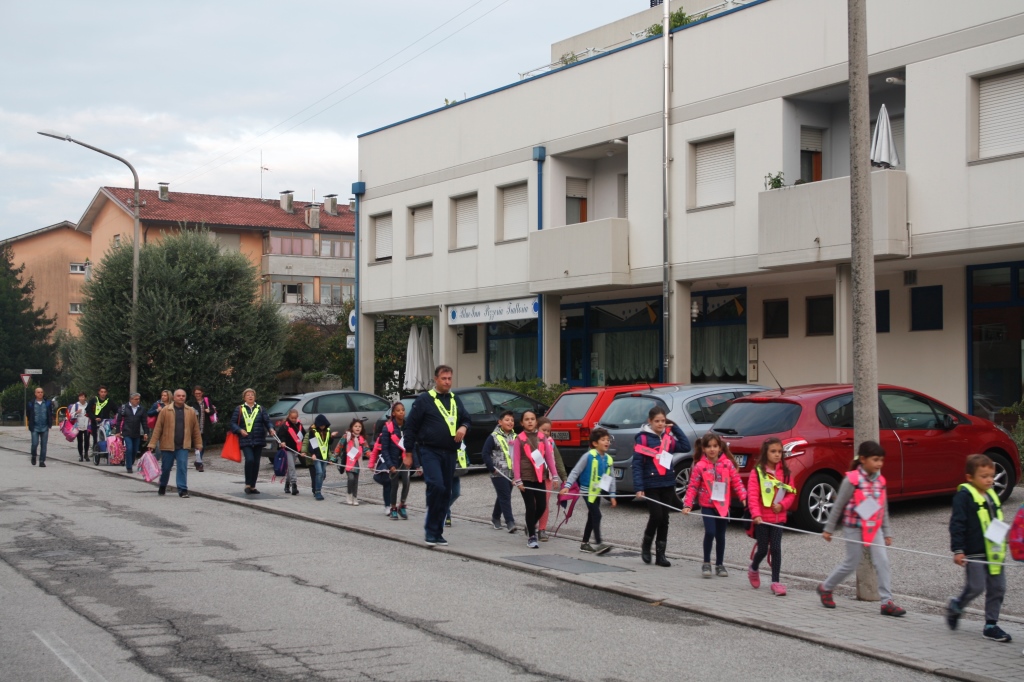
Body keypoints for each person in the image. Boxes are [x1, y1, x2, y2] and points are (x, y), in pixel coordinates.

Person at [819, 440, 906, 617]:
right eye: (875, 460)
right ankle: (825, 588)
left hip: (874, 528)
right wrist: (828, 529)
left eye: (881, 460)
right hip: (854, 527)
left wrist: (887, 532)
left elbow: (883, 508)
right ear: (863, 459)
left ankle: (886, 602)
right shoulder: (851, 479)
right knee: (851, 563)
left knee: (882, 561)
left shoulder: (880, 481)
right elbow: (838, 504)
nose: (879, 464)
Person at [947, 454, 1012, 642]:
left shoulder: (992, 494)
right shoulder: (964, 496)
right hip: (974, 551)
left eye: (991, 476)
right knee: (976, 586)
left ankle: (991, 624)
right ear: (970, 477)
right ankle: (956, 606)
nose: (990, 480)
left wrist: (1009, 538)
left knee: (998, 588)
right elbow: (957, 524)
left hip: (994, 552)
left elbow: (997, 521)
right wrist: (958, 550)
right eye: (984, 476)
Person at [403, 365, 471, 547]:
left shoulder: (455, 399)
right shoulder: (425, 400)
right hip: (430, 451)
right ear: (436, 379)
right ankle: (430, 529)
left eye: (450, 378)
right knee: (437, 487)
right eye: (444, 379)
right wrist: (408, 453)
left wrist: (463, 427)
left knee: (446, 491)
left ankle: (437, 533)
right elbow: (410, 427)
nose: (447, 382)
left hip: (450, 452)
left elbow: (466, 418)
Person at [632, 406, 690, 567]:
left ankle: (660, 555)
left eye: (663, 421)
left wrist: (675, 428)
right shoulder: (643, 439)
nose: (660, 424)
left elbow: (686, 447)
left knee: (665, 519)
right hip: (651, 484)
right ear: (650, 421)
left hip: (667, 483)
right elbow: (637, 465)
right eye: (657, 421)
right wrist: (639, 487)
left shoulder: (668, 439)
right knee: (656, 515)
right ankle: (646, 544)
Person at [683, 432, 747, 576]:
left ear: (720, 448)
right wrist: (688, 504)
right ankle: (706, 562)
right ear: (704, 449)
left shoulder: (727, 464)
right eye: (709, 446)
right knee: (710, 532)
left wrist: (743, 497)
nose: (712, 449)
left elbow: (737, 481)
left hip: (723, 505)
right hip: (707, 505)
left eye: (715, 446)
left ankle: (720, 564)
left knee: (720, 535)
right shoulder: (700, 466)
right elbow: (692, 486)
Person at [747, 437, 796, 595]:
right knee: (762, 549)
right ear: (765, 452)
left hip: (778, 519)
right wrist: (756, 514)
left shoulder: (786, 473)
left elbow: (791, 493)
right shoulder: (758, 472)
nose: (777, 455)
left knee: (776, 548)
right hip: (762, 519)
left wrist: (783, 506)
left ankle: (776, 582)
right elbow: (753, 496)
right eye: (773, 451)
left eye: (779, 452)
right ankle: (754, 568)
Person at [563, 427, 617, 554]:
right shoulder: (588, 456)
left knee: (592, 516)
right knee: (597, 515)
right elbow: (575, 471)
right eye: (603, 440)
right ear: (594, 443)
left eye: (608, 440)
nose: (607, 442)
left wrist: (613, 495)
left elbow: (612, 478)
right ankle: (599, 543)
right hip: (587, 491)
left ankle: (584, 543)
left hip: (597, 491)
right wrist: (568, 485)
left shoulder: (608, 459)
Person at [512, 409, 561, 549]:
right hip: (526, 477)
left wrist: (555, 475)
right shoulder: (519, 439)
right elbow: (515, 460)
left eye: (532, 419)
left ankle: (530, 524)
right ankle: (532, 536)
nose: (530, 421)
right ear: (522, 422)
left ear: (536, 421)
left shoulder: (542, 437)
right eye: (526, 419)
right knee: (530, 506)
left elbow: (549, 459)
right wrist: (518, 479)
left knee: (542, 505)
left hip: (540, 476)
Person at [146, 388, 202, 498]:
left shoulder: (190, 411)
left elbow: (195, 429)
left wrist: (198, 444)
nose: (181, 397)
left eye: (183, 396)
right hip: (167, 445)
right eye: (179, 396)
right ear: (174, 397)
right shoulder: (165, 410)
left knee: (182, 466)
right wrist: (152, 444)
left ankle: (182, 489)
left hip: (183, 445)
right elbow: (158, 428)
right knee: (166, 468)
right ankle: (162, 485)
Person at [229, 388, 275, 495]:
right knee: (249, 460)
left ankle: (253, 486)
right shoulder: (239, 409)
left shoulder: (261, 409)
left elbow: (267, 421)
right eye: (248, 395)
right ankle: (247, 484)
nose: (250, 396)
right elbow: (233, 423)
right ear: (244, 397)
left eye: (252, 395)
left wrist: (271, 429)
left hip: (258, 439)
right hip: (245, 439)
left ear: (255, 397)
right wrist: (240, 430)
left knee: (256, 463)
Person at [482, 410, 518, 533]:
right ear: (500, 422)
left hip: (511, 473)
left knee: (503, 496)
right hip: (498, 472)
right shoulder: (493, 436)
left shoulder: (515, 436)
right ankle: (510, 522)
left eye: (512, 420)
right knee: (505, 496)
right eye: (507, 420)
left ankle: (495, 517)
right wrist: (492, 468)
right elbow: (485, 453)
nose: (510, 422)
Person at [536, 416, 568, 541]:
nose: (546, 433)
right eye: (543, 430)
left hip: (548, 477)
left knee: (544, 504)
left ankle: (542, 529)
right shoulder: (531, 441)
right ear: (537, 429)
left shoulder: (550, 442)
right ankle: (531, 524)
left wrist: (562, 477)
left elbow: (557, 460)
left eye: (548, 431)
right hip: (534, 477)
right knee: (534, 504)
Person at [383, 403, 412, 519]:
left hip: (405, 460)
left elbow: (412, 445)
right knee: (394, 485)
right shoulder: (388, 428)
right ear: (393, 413)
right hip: (394, 461)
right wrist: (390, 465)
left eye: (403, 410)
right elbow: (384, 449)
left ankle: (402, 505)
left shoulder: (408, 427)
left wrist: (418, 464)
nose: (401, 412)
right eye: (398, 410)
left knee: (406, 483)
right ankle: (393, 507)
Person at [302, 414, 335, 501]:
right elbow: (311, 444)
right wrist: (312, 453)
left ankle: (318, 488)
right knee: (319, 473)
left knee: (322, 474)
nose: (322, 427)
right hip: (316, 456)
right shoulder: (313, 432)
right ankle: (317, 491)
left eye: (324, 425)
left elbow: (329, 443)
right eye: (321, 425)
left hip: (324, 456)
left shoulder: (327, 431)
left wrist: (332, 437)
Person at [337, 418, 370, 506]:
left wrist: (373, 457)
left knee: (355, 481)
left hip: (357, 462)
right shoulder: (346, 436)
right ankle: (349, 494)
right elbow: (339, 446)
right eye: (355, 426)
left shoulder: (362, 439)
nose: (357, 428)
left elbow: (367, 450)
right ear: (352, 427)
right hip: (348, 461)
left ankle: (355, 497)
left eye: (359, 426)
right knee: (350, 478)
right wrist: (333, 458)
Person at [115, 393, 150, 474]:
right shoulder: (124, 408)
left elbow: (144, 422)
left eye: (139, 399)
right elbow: (119, 420)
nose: (138, 401)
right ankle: (129, 467)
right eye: (136, 399)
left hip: (136, 433)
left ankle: (130, 461)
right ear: (131, 399)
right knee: (129, 448)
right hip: (127, 432)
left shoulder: (141, 409)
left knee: (135, 450)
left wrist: (146, 433)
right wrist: (117, 431)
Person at [275, 408, 305, 495]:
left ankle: (287, 484)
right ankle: (294, 484)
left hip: (296, 449)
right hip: (287, 449)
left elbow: (304, 435)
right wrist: (283, 442)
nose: (294, 420)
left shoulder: (300, 425)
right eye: (292, 418)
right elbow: (281, 435)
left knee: (290, 468)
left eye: (295, 418)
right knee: (292, 467)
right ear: (289, 417)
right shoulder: (285, 426)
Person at [189, 385, 217, 472]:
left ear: (202, 393)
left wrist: (209, 411)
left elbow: (213, 411)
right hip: (195, 428)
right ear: (194, 393)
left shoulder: (206, 401)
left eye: (199, 393)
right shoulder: (191, 402)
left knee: (203, 446)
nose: (198, 395)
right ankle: (199, 463)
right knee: (198, 446)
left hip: (205, 427)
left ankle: (198, 461)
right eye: (196, 393)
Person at [87, 385, 117, 460]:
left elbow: (116, 410)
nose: (103, 393)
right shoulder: (94, 400)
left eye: (104, 392)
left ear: (106, 393)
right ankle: (96, 454)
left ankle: (106, 453)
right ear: (99, 393)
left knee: (106, 438)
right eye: (101, 392)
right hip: (95, 423)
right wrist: (94, 418)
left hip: (106, 423)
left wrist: (116, 418)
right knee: (96, 438)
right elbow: (88, 410)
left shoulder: (109, 401)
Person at [26, 387, 54, 467]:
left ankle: (42, 461)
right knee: (34, 444)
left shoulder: (47, 403)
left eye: (41, 392)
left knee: (44, 445)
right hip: (35, 427)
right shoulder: (31, 403)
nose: (40, 393)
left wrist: (49, 423)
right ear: (35, 394)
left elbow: (50, 413)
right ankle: (34, 455)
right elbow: (28, 414)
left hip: (45, 427)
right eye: (38, 392)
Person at [69, 392, 90, 461]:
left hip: (87, 425)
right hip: (78, 425)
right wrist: (76, 412)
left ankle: (86, 454)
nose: (81, 398)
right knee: (80, 440)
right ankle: (80, 455)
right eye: (80, 397)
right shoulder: (76, 405)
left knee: (87, 440)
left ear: (85, 398)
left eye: (83, 397)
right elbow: (71, 415)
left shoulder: (88, 405)